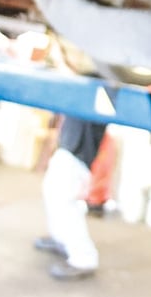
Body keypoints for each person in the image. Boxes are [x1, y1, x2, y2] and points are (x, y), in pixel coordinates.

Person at [33, 115, 106, 280]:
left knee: (63, 198)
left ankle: (84, 258)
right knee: (52, 191)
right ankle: (61, 238)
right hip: (70, 144)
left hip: (79, 148)